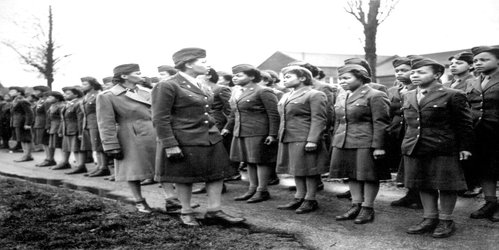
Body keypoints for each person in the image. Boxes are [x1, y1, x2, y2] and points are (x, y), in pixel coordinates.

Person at [152, 47, 244, 226]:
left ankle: (214, 211)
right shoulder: (167, 85)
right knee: (184, 176)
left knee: (217, 174)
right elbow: (160, 118)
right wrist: (170, 144)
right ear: (188, 64)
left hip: (210, 136)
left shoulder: (198, 82)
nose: (207, 65)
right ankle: (186, 212)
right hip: (185, 138)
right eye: (202, 62)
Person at [402, 57, 473, 238]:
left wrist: (465, 147)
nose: (415, 75)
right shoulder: (408, 94)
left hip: (443, 147)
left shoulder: (452, 94)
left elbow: (464, 123)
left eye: (422, 72)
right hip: (416, 147)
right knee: (423, 183)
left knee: (446, 185)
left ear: (437, 75)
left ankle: (446, 220)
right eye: (414, 72)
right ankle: (429, 218)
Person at [330, 64, 391, 224]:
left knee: (369, 175)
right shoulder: (342, 95)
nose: (342, 81)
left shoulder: (375, 95)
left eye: (346, 78)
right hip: (344, 140)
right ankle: (355, 205)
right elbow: (339, 120)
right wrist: (335, 141)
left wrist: (379, 146)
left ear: (361, 77)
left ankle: (367, 208)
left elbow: (381, 122)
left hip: (366, 141)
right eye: (340, 78)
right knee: (351, 173)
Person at [97, 63, 156, 213]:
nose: (141, 75)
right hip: (129, 135)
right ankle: (139, 201)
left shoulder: (146, 92)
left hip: (154, 132)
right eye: (138, 72)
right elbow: (105, 122)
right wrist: (111, 145)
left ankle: (172, 200)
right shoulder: (108, 96)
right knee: (133, 169)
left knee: (163, 166)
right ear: (124, 76)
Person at [222, 64, 279, 204]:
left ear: (252, 76)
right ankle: (252, 188)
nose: (235, 78)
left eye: (239, 75)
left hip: (258, 132)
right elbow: (234, 113)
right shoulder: (236, 91)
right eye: (234, 75)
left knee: (260, 161)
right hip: (241, 131)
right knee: (248, 161)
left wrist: (272, 134)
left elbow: (273, 114)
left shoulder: (263, 91)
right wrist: (227, 128)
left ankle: (262, 190)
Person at [276, 66, 328, 214]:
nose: (284, 79)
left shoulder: (314, 94)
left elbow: (319, 119)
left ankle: (310, 199)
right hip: (288, 137)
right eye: (283, 77)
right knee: (296, 169)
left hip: (304, 137)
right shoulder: (286, 95)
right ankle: (299, 197)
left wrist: (312, 140)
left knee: (309, 170)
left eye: (288, 76)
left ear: (303, 78)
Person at [444, 52, 482, 198]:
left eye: (458, 63)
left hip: (469, 121)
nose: (453, 66)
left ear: (471, 66)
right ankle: (461, 183)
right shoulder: (447, 84)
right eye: (452, 63)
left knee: (469, 152)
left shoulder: (473, 82)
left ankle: (474, 184)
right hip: (450, 123)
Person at [468, 46, 499, 222]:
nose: (478, 63)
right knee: (486, 169)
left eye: (484, 59)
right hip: (480, 133)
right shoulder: (472, 82)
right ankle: (490, 202)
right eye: (475, 61)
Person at [387, 57, 421, 209]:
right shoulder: (393, 90)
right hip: (398, 131)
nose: (399, 73)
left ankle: (419, 196)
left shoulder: (419, 89)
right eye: (397, 71)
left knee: (416, 163)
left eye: (404, 70)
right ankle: (410, 194)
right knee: (405, 163)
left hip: (414, 131)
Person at [192, 68, 231, 194]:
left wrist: (228, 127)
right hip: (203, 122)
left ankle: (220, 184)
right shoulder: (198, 89)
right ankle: (207, 182)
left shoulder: (220, 89)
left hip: (218, 123)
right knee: (205, 154)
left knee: (215, 154)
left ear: (208, 76)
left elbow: (230, 110)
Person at [79, 77, 110, 177]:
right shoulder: (86, 96)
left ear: (92, 85)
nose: (82, 86)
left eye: (85, 84)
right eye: (82, 84)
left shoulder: (98, 95)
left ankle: (104, 167)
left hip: (97, 123)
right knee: (94, 146)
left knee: (99, 145)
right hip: (88, 123)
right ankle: (99, 166)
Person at [55, 86, 88, 174]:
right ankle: (77, 165)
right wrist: (61, 130)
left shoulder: (78, 103)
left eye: (68, 93)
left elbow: (80, 119)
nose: (65, 95)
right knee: (72, 148)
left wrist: (81, 132)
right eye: (65, 93)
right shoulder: (68, 104)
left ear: (76, 94)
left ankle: (81, 165)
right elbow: (63, 119)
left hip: (75, 129)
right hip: (68, 129)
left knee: (77, 148)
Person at [9, 86, 34, 162]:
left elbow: (30, 113)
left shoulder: (23, 101)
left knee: (26, 139)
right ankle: (25, 155)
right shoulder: (16, 100)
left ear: (19, 93)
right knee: (22, 139)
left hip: (22, 123)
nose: (10, 92)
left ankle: (27, 155)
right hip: (17, 122)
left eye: (12, 91)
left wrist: (28, 123)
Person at [31, 86, 54, 167]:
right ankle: (47, 158)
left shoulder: (47, 101)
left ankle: (50, 159)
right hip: (39, 123)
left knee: (46, 142)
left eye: (37, 91)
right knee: (43, 142)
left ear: (43, 92)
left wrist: (48, 125)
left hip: (44, 123)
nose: (35, 93)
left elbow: (48, 114)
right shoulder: (40, 101)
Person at [44, 91, 65, 169]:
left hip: (58, 127)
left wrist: (60, 129)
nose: (48, 98)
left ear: (57, 98)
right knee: (53, 144)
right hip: (53, 127)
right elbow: (49, 118)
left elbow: (62, 119)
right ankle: (51, 159)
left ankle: (64, 161)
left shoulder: (61, 105)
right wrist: (49, 127)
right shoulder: (52, 105)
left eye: (50, 97)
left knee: (61, 145)